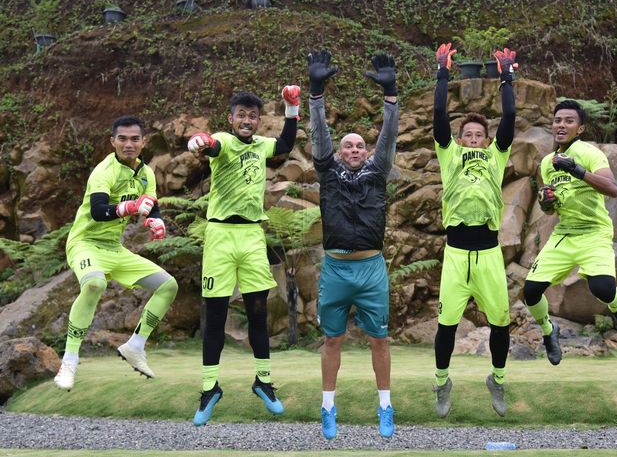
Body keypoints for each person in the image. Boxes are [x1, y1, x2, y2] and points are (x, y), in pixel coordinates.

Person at [186, 86, 300, 426]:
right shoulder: (224, 140)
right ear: (231, 118)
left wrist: (292, 108)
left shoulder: (262, 146)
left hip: (251, 235)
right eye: (241, 115)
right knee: (216, 314)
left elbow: (283, 145)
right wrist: (199, 143)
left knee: (258, 311)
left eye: (252, 116)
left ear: (259, 120)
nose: (246, 120)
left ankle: (263, 381)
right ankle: (209, 389)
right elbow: (210, 144)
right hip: (220, 235)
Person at [307, 49, 398, 439]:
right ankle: (328, 407)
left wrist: (390, 96)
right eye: (349, 145)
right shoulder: (328, 171)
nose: (355, 148)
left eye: (361, 144)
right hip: (337, 267)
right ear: (340, 153)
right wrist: (315, 92)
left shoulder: (378, 172)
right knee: (332, 339)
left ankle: (385, 406)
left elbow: (389, 137)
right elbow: (319, 134)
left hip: (371, 267)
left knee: (380, 338)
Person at [54, 115, 178, 391]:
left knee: (168, 286)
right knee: (95, 283)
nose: (129, 144)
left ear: (144, 142)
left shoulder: (146, 174)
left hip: (114, 249)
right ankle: (69, 360)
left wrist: (155, 222)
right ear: (113, 141)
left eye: (135, 139)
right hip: (85, 243)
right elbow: (99, 212)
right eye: (122, 139)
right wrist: (130, 208)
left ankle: (135, 346)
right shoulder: (104, 171)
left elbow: (151, 205)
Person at [430, 43, 517, 418]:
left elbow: (510, 118)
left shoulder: (497, 155)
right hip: (456, 254)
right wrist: (442, 73)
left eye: (478, 133)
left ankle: (496, 380)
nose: (473, 137)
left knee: (500, 320)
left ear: (486, 139)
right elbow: (438, 115)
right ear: (461, 138)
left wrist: (506, 78)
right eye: (468, 133)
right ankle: (441, 382)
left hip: (489, 253)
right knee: (447, 324)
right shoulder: (449, 154)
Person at [524, 99, 617, 365]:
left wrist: (577, 169)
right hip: (564, 234)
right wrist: (546, 202)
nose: (561, 125)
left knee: (603, 288)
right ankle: (550, 332)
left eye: (569, 121)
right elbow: (550, 208)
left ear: (580, 128)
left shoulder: (589, 153)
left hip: (594, 232)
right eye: (558, 120)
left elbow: (612, 188)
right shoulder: (548, 162)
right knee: (530, 292)